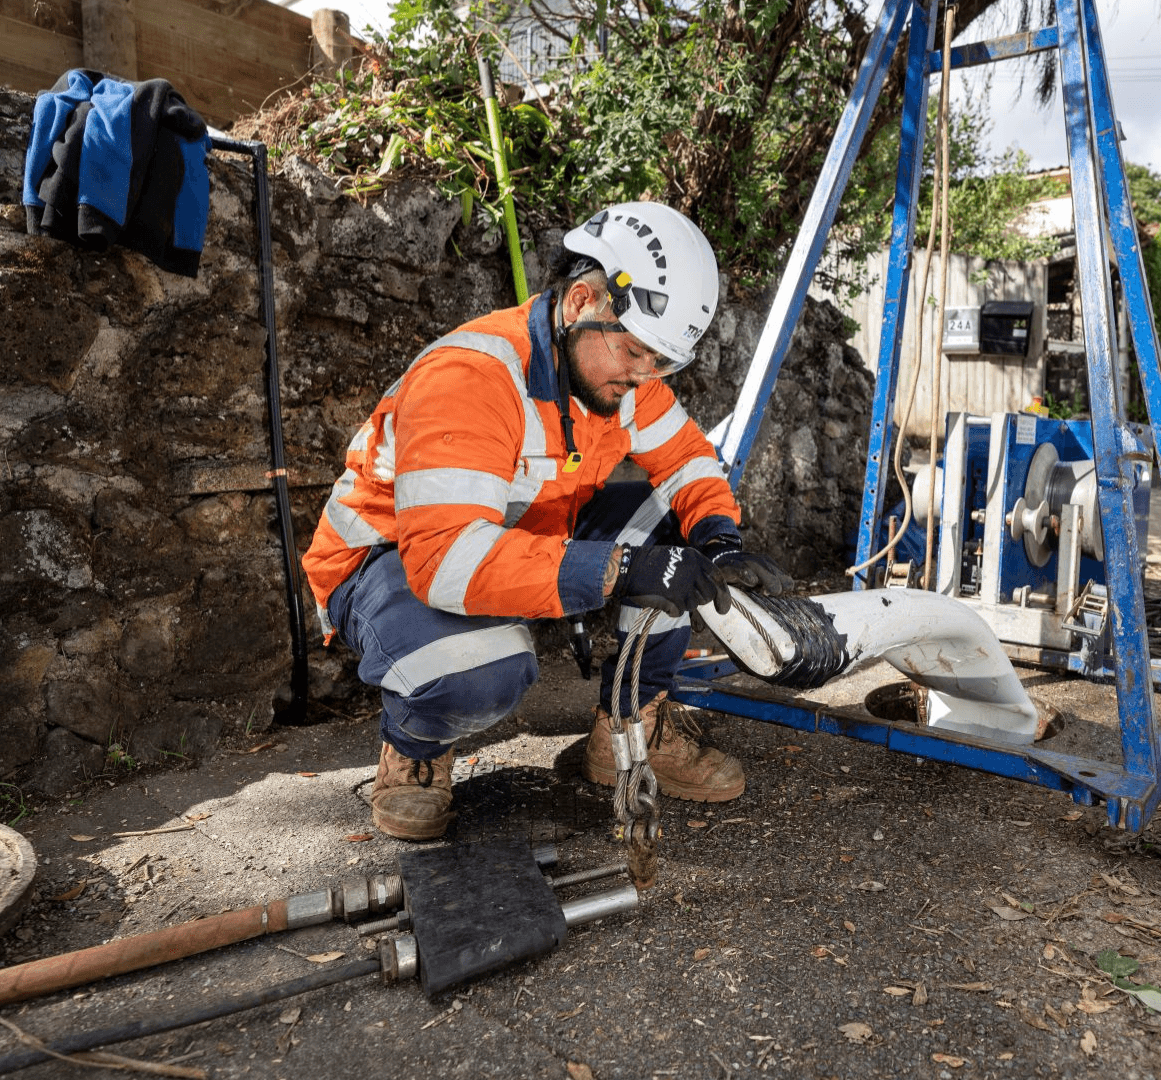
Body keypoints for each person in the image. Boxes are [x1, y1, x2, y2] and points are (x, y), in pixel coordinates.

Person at [301, 202, 793, 841]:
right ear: (583, 300)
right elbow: (445, 561)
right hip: (385, 561)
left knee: (678, 526)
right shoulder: (472, 375)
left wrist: (717, 539)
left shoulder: (616, 377)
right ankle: (415, 747)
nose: (647, 377)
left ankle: (627, 727)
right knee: (486, 673)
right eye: (639, 353)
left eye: (664, 364)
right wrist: (617, 570)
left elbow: (688, 461)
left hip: (517, 538)